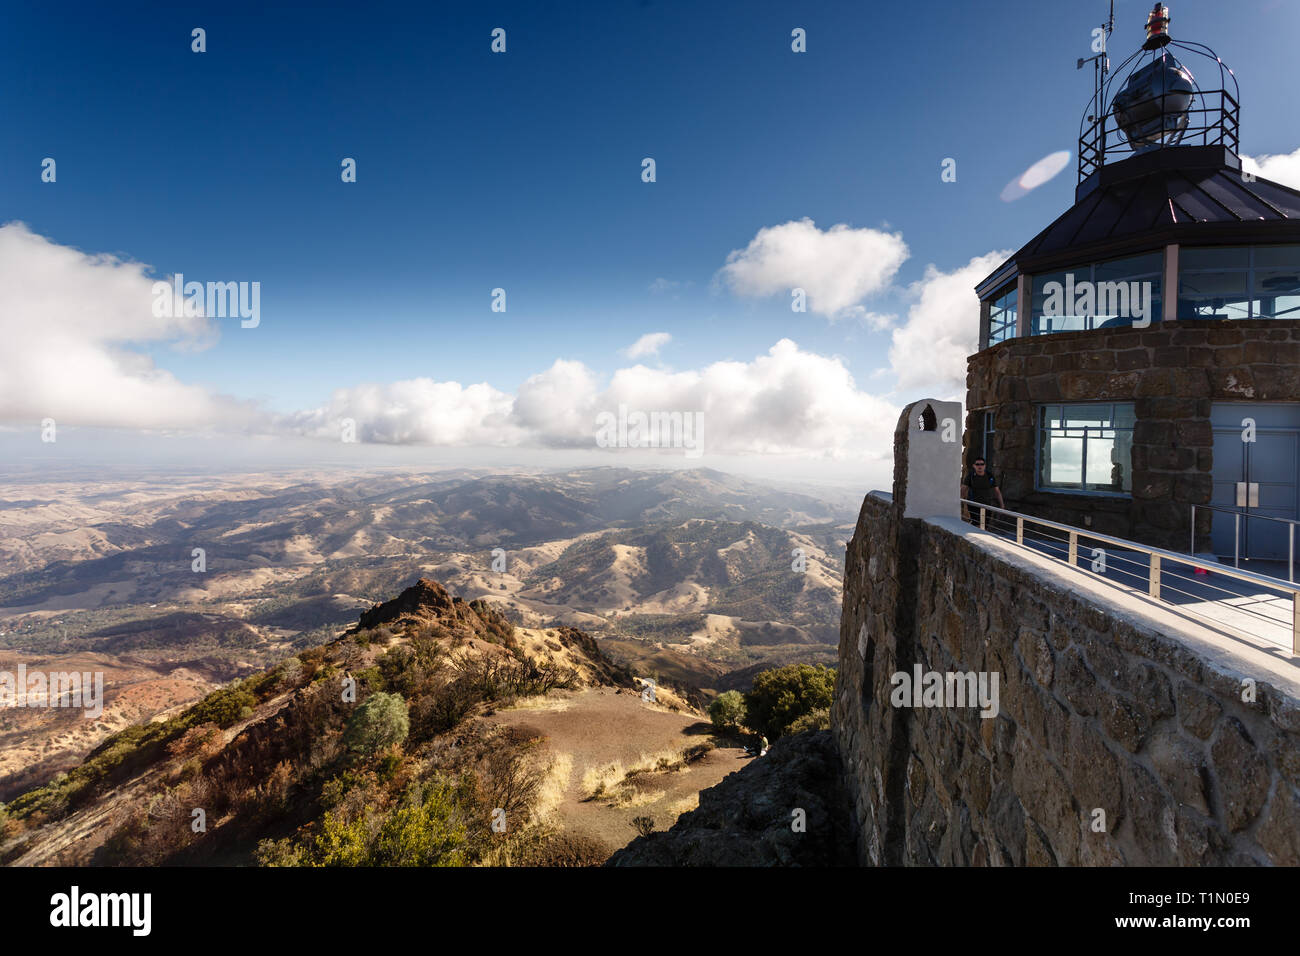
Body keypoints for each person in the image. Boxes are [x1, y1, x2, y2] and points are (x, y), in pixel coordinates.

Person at [961, 457, 1004, 523]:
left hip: (987, 505)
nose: (980, 466)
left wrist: (1002, 505)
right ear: (974, 466)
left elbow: (997, 492)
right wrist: (960, 503)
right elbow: (963, 490)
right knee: (977, 524)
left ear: (985, 465)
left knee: (985, 526)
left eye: (982, 464)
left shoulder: (990, 476)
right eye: (977, 464)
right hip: (973, 505)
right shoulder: (970, 476)